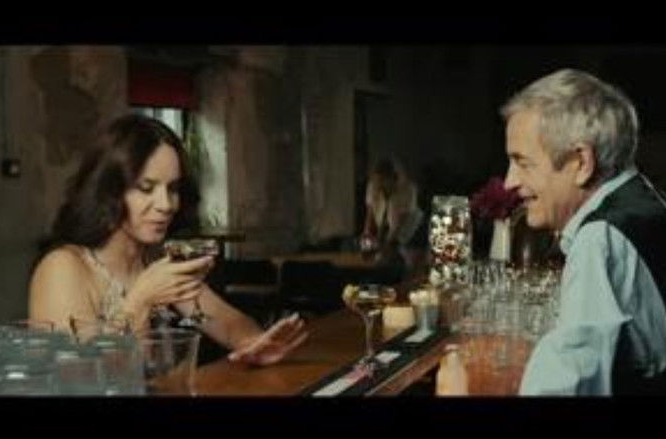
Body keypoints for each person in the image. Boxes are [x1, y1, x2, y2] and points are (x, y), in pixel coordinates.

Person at [500, 68, 666, 395]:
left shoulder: (601, 238)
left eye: (522, 162)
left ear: (581, 163)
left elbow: (565, 390)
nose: (509, 182)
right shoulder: (661, 204)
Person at [29, 114, 307, 367]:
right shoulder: (62, 268)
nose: (166, 204)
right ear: (109, 190)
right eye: (146, 188)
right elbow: (74, 378)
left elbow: (227, 322)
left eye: (173, 188)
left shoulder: (157, 259)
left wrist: (256, 344)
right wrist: (140, 300)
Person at [361, 158, 425, 275]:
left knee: (406, 260)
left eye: (382, 181)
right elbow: (370, 212)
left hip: (410, 229)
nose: (379, 184)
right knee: (378, 254)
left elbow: (399, 224)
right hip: (387, 225)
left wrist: (385, 245)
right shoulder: (373, 186)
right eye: (377, 181)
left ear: (392, 178)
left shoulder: (408, 189)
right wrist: (367, 234)